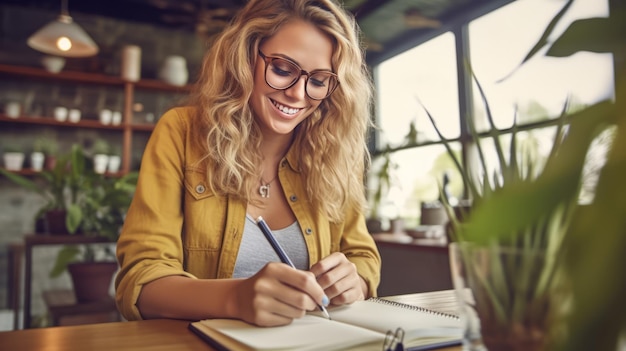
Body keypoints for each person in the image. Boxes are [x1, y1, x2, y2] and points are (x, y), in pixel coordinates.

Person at [115, 0, 381, 327]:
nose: (298, 94)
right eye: (283, 69)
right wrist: (235, 298)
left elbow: (362, 257)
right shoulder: (181, 133)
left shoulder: (335, 153)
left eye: (318, 80)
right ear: (245, 57)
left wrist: (356, 282)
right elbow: (139, 282)